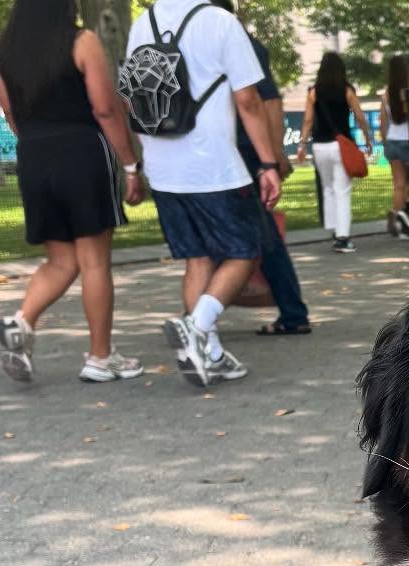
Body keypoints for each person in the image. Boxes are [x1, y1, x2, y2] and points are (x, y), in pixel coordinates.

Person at [124, 0, 280, 386]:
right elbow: (248, 99)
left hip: (162, 164)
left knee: (197, 260)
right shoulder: (220, 22)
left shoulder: (144, 23)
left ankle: (208, 354)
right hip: (214, 164)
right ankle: (197, 326)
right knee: (245, 250)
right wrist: (268, 162)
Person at [0, 0, 143, 384]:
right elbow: (106, 108)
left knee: (60, 260)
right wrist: (130, 164)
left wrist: (37, 146)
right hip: (81, 151)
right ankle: (100, 356)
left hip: (33, 154)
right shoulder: (82, 41)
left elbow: (8, 111)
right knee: (94, 260)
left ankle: (22, 321)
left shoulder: (5, 53)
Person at [227, 14, 310, 337]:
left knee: (264, 237)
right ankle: (198, 312)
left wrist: (272, 157)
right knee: (256, 235)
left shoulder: (241, 43)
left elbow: (269, 100)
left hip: (245, 155)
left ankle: (292, 311)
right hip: (234, 154)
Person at [295, 52, 371, 255]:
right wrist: (367, 138)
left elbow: (308, 121)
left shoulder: (313, 92)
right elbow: (360, 116)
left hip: (320, 146)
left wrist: (302, 145)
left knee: (328, 189)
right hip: (341, 145)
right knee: (342, 191)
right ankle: (343, 237)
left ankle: (333, 228)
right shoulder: (347, 91)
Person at [380, 53, 409, 236]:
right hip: (408, 140)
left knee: (398, 184)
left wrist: (385, 143)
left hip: (392, 140)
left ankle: (397, 217)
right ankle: (401, 214)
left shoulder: (386, 94)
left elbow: (382, 122)